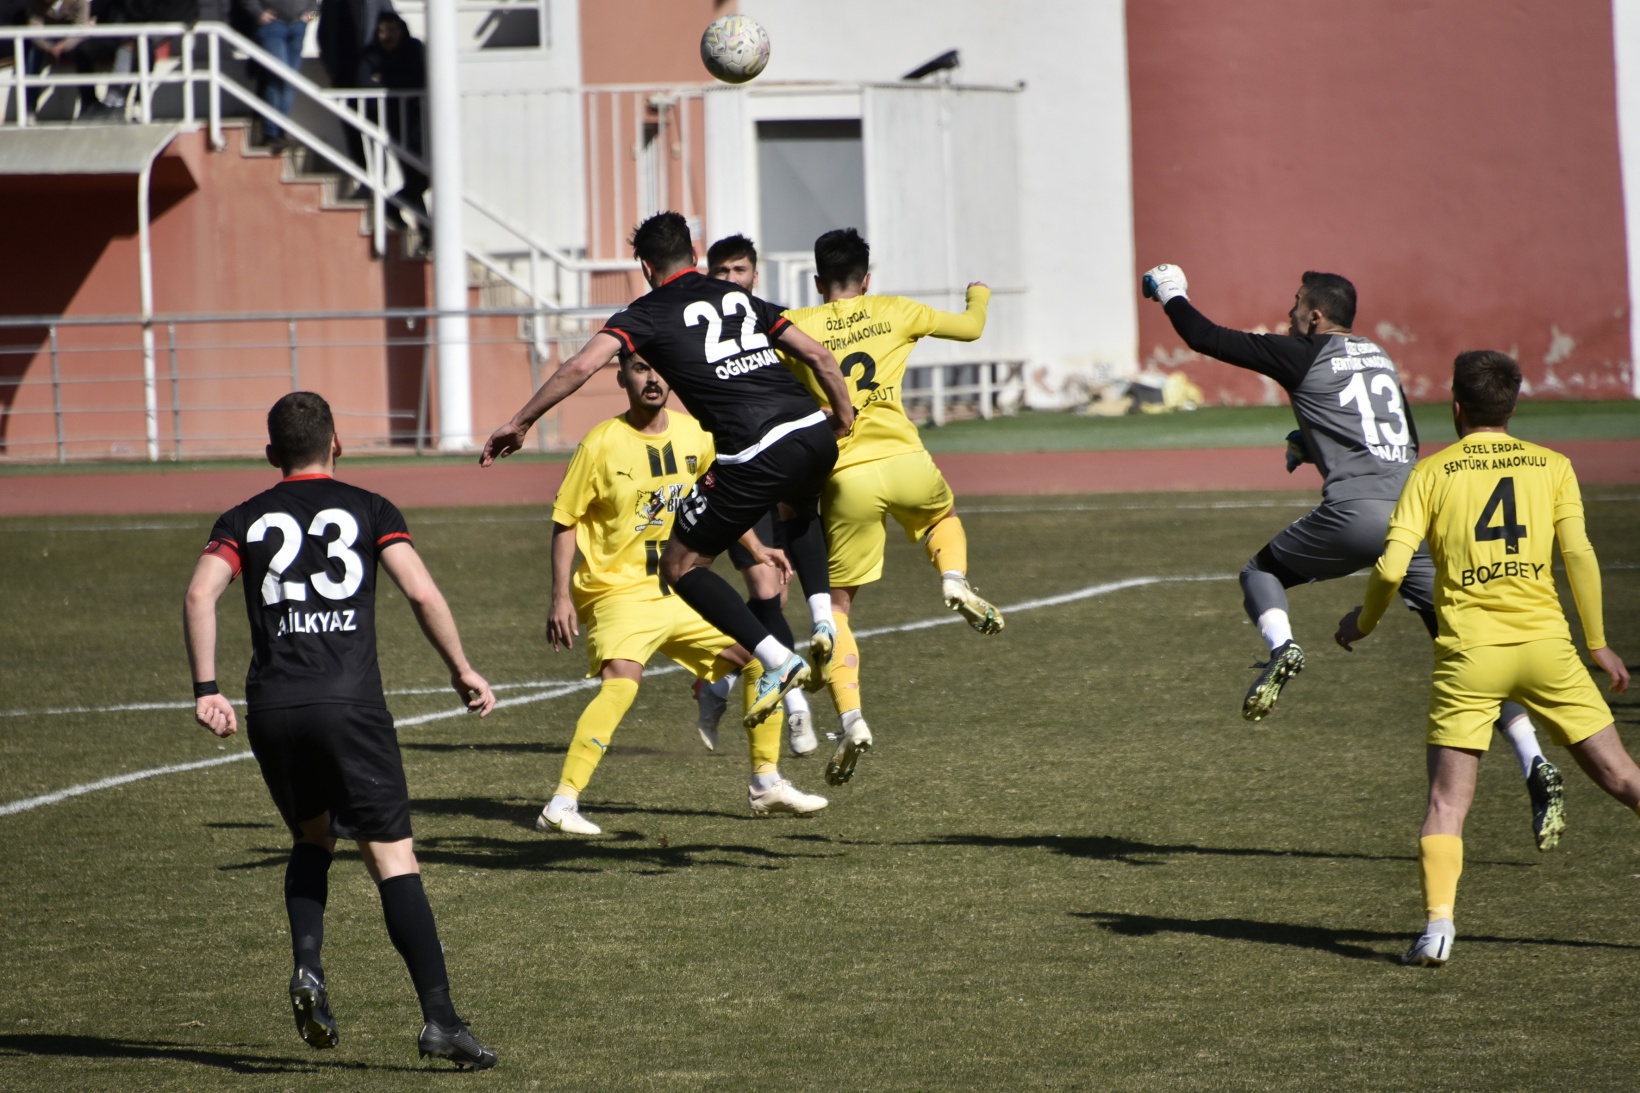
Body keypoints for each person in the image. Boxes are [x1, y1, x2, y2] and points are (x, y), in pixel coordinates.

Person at [1140, 263, 1563, 848]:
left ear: (1316, 315)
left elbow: (1205, 338)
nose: (1288, 315)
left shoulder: (1303, 353)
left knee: (1260, 571)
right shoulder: (1381, 358)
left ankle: (1282, 648)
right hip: (1418, 523)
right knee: (1471, 654)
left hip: (1357, 514)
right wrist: (1313, 445)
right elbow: (1397, 443)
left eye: (1294, 306)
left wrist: (1170, 289)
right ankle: (1533, 761)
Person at [183, 391, 498, 1068]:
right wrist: (462, 668)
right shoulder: (370, 507)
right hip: (349, 704)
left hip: (273, 707)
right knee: (392, 857)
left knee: (312, 836)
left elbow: (199, 592)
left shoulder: (242, 516)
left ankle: (309, 967)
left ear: (272, 454)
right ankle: (440, 1019)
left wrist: (207, 688)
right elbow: (420, 591)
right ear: (338, 444)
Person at [481, 211, 856, 732]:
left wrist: (520, 423)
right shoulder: (741, 298)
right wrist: (840, 415)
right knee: (797, 510)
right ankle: (820, 619)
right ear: (697, 258)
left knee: (681, 566)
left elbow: (578, 367)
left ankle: (777, 659)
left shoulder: (647, 312)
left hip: (754, 450)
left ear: (645, 266)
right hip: (812, 432)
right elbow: (817, 356)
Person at [1335, 350, 1633, 967]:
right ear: (1513, 404)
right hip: (1548, 650)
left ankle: (1438, 927)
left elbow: (1392, 566)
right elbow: (1579, 556)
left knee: (1448, 803)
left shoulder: (1433, 472)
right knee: (1625, 779)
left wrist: (1362, 623)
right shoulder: (1553, 466)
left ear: (1455, 406)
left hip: (1470, 657)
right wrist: (1597, 641)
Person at [536, 349, 829, 835]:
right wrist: (560, 596)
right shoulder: (600, 443)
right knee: (622, 682)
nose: (652, 378)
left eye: (658, 368)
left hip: (682, 589)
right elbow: (565, 520)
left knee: (761, 658)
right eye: (640, 369)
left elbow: (718, 501)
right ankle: (561, 804)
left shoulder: (694, 434)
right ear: (622, 378)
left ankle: (766, 782)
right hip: (619, 591)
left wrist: (756, 546)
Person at [780, 228, 1001, 786]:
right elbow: (972, 329)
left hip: (846, 476)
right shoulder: (895, 309)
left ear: (817, 280)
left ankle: (851, 717)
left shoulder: (796, 324)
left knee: (839, 607)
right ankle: (952, 577)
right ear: (867, 278)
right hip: (905, 458)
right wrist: (979, 293)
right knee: (939, 519)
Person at [692, 232, 819, 758]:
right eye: (720, 272)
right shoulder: (695, 329)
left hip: (769, 467)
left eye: (738, 271)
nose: (729, 281)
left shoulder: (766, 321)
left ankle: (717, 684)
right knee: (766, 588)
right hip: (724, 470)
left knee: (773, 595)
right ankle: (797, 708)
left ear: (754, 276)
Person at [358, 11, 425, 224]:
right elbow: (362, 83)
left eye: (392, 30)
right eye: (382, 31)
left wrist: (385, 79)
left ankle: (392, 205)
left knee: (424, 176)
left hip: (416, 121)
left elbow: (419, 79)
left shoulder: (413, 48)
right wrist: (397, 82)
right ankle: (426, 232)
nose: (388, 36)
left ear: (401, 30)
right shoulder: (371, 53)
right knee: (414, 177)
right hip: (390, 122)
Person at [316, 0, 393, 179]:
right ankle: (362, 176)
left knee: (376, 129)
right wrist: (331, 69)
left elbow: (393, 24)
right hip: (343, 75)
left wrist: (384, 66)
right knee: (352, 129)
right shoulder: (331, 3)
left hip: (370, 75)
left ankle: (380, 180)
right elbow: (323, 33)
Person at [238, 0, 316, 148]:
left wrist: (310, 18)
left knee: (290, 83)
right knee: (277, 78)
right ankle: (270, 133)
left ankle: (281, 131)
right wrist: (259, 13)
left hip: (298, 27)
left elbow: (315, 5)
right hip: (273, 26)